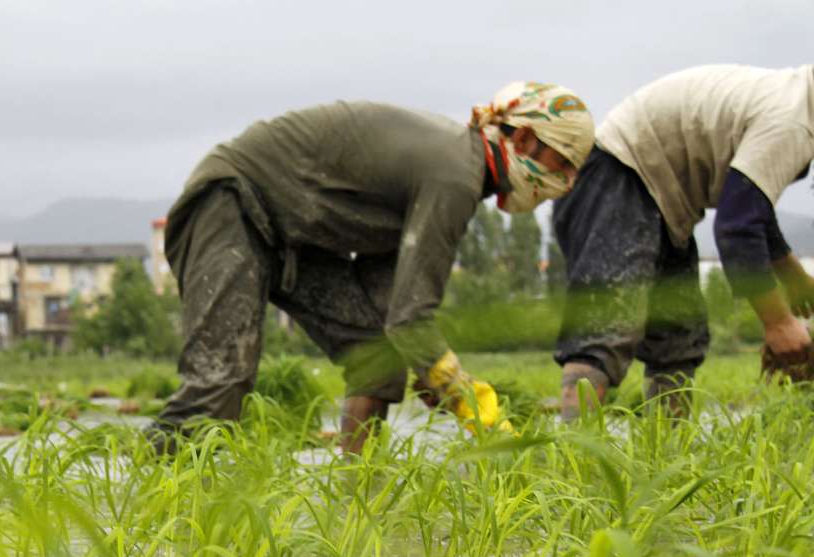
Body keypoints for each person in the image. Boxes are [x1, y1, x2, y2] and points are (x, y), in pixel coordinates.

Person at [148, 82, 594, 453]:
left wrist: (428, 372)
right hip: (233, 203)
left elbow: (392, 310)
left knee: (375, 355)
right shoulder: (454, 175)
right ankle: (149, 505)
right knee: (221, 381)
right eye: (563, 163)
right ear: (522, 139)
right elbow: (412, 321)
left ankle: (357, 500)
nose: (566, 183)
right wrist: (472, 406)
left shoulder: (455, 176)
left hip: (291, 237)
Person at [552, 65, 814, 420]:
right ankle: (572, 457)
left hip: (662, 198)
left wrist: (792, 275)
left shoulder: (795, 103)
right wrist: (778, 323)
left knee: (678, 338)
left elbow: (756, 209)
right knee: (606, 327)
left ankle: (663, 459)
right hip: (619, 176)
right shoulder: (791, 122)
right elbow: (737, 227)